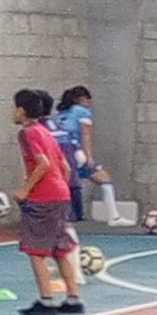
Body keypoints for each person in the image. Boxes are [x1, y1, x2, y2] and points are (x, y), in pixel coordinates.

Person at [10, 87, 82, 315]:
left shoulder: (28, 133)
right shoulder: (47, 132)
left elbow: (43, 163)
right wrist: (61, 190)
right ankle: (73, 298)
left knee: (36, 250)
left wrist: (25, 189)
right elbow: (65, 167)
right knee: (59, 249)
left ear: (22, 110)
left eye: (14, 108)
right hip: (60, 195)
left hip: (43, 197)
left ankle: (46, 300)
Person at [50, 85, 112, 217]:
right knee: (104, 177)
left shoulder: (60, 114)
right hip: (74, 151)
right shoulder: (82, 111)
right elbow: (86, 134)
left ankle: (64, 214)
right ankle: (113, 216)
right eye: (87, 98)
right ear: (80, 99)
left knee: (67, 182)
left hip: (59, 153)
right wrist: (89, 157)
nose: (90, 101)